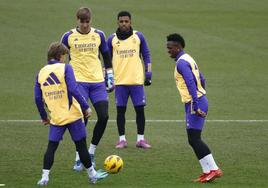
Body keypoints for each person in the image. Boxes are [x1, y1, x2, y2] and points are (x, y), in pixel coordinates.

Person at [34, 42, 108, 185]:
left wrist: (44, 117)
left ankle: (44, 177)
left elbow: (37, 98)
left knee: (52, 147)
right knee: (81, 146)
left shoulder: (40, 73)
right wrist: (86, 107)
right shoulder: (66, 68)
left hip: (56, 118)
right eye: (65, 56)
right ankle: (92, 175)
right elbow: (74, 89)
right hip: (73, 115)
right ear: (60, 56)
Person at [60, 7, 114, 171]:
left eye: (87, 21)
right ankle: (79, 156)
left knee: (104, 116)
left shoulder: (99, 35)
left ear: (91, 20)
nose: (84, 25)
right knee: (81, 119)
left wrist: (110, 77)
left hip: (97, 82)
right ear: (77, 20)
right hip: (78, 83)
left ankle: (90, 152)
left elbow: (106, 56)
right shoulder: (68, 36)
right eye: (81, 21)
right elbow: (59, 57)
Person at [166, 33, 223, 183]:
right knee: (192, 139)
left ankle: (214, 169)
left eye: (170, 48)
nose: (168, 51)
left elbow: (191, 83)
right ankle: (207, 171)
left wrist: (197, 104)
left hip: (194, 102)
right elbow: (201, 78)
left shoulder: (181, 63)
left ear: (178, 47)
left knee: (195, 139)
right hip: (196, 100)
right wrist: (202, 95)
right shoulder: (188, 58)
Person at [107, 11, 152, 149]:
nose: (124, 24)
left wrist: (148, 74)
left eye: (126, 21)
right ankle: (122, 140)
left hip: (136, 81)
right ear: (118, 22)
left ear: (130, 22)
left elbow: (146, 55)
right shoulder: (112, 39)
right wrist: (107, 79)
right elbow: (107, 60)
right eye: (121, 21)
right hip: (119, 82)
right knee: (121, 111)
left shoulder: (138, 36)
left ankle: (140, 140)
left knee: (140, 111)